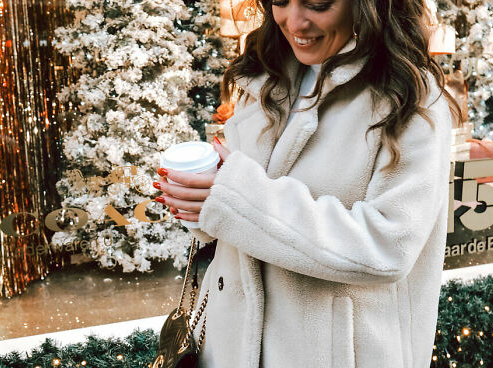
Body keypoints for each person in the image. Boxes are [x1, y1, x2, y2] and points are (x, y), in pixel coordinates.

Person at [153, 0, 460, 366]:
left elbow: (388, 246)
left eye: (317, 3)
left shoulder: (411, 97)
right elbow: (240, 216)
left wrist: (236, 197)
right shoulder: (266, 75)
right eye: (280, 1)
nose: (294, 22)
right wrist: (199, 203)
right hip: (230, 348)